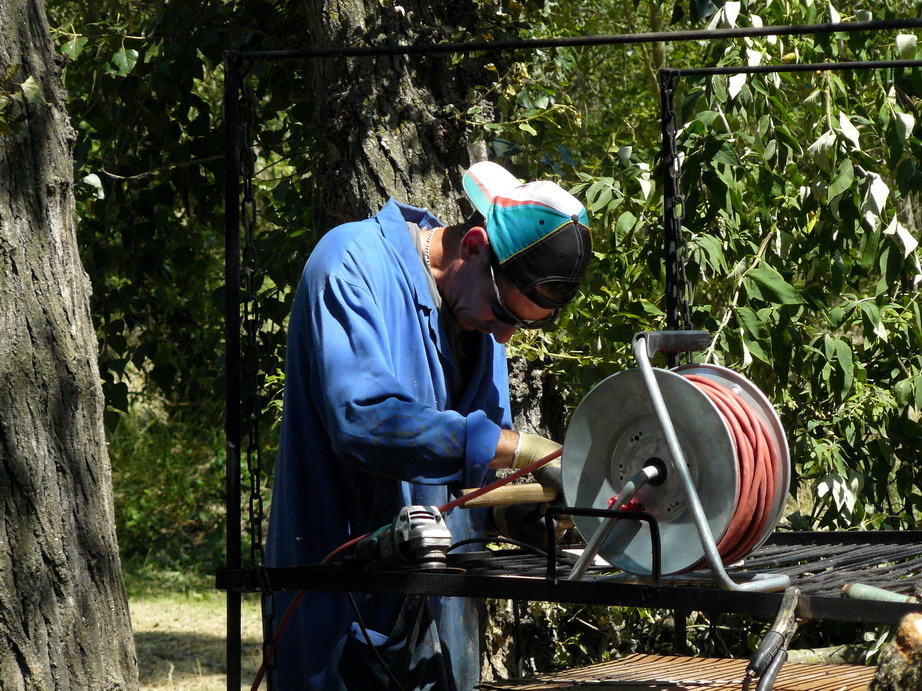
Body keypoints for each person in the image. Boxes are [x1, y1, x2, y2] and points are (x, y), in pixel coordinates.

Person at [265, 160, 592, 690]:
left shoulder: (477, 313)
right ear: (473, 246)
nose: (504, 337)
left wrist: (529, 515)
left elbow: (474, 477)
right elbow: (363, 420)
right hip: (338, 607)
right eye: (503, 313)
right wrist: (523, 450)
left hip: (443, 621)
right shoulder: (351, 261)